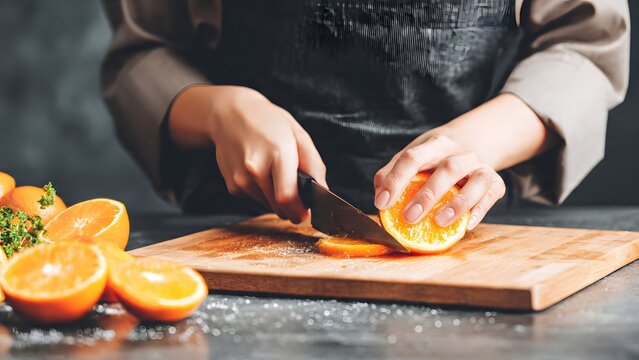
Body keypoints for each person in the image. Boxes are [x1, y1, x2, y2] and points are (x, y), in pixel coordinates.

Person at [101, 0, 629, 229]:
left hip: (470, 232)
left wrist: (475, 143)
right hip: (242, 232)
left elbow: (585, 48)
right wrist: (220, 111)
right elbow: (143, 55)